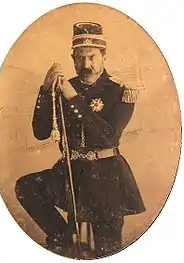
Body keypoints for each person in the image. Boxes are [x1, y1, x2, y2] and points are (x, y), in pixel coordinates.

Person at [15, 22, 145, 258]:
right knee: (27, 187)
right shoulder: (63, 86)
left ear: (104, 55)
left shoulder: (120, 90)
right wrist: (45, 90)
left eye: (93, 57)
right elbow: (41, 132)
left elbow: (108, 137)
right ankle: (63, 239)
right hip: (72, 172)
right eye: (80, 58)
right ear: (73, 58)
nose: (86, 65)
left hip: (107, 178)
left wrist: (73, 98)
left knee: (106, 249)